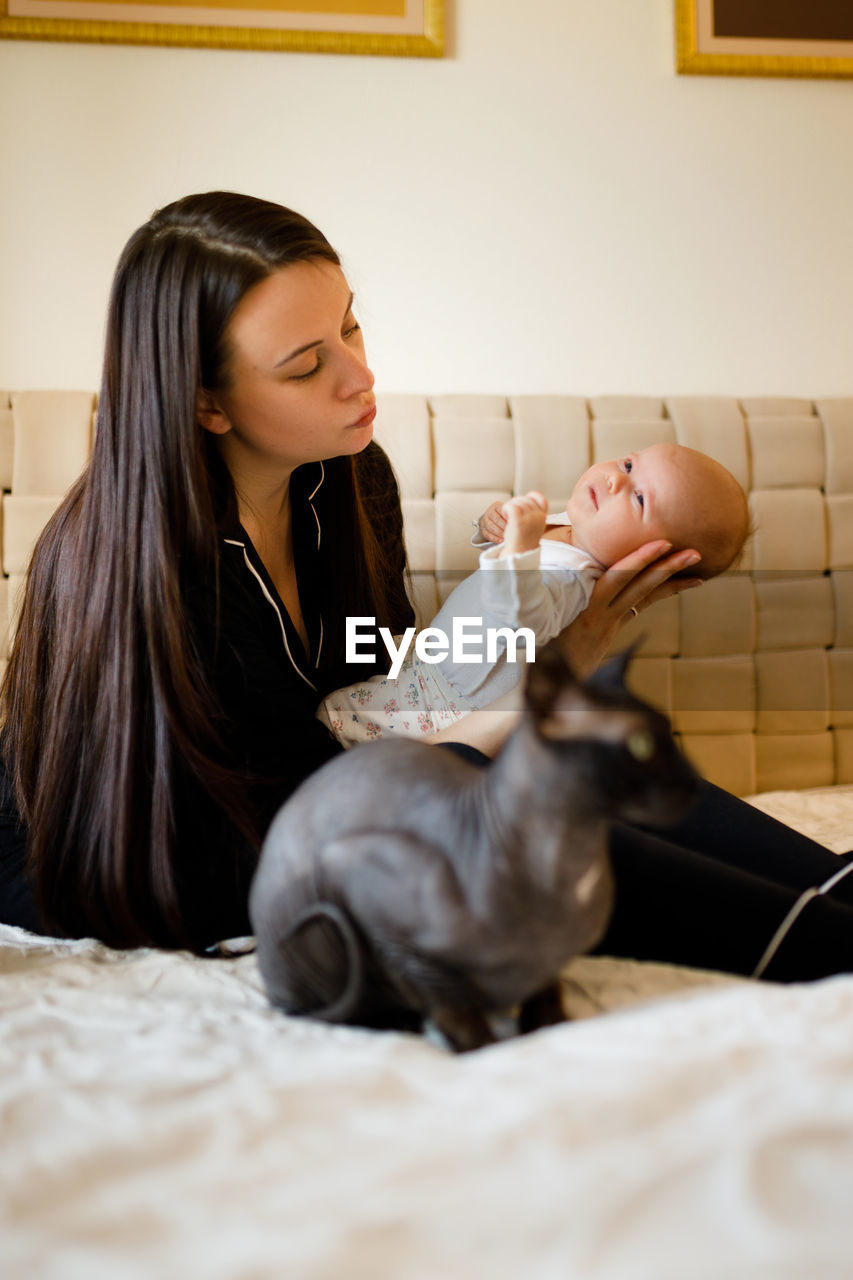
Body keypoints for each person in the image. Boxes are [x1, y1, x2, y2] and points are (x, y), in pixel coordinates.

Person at [0, 190, 851, 985]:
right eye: (306, 366)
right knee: (538, 803)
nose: (359, 376)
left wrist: (557, 652)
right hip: (182, 857)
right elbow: (322, 808)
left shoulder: (348, 479)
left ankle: (836, 886)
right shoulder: (163, 573)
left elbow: (395, 681)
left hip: (347, 789)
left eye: (351, 328)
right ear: (206, 405)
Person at [318, 443, 749, 745]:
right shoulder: (574, 524)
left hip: (451, 705)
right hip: (432, 662)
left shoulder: (577, 579)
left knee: (336, 720)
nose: (616, 480)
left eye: (639, 500)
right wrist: (492, 526)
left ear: (652, 563)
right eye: (630, 465)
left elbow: (523, 616)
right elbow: (498, 553)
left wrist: (520, 548)